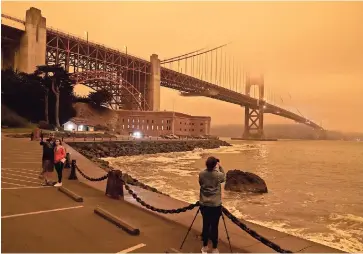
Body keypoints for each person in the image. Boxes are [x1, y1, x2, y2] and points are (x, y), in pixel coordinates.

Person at [199, 156, 226, 254]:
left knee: (205, 225)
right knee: (214, 227)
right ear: (215, 165)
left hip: (204, 204)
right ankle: (214, 248)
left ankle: (205, 247)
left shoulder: (201, 174)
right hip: (215, 205)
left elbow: (200, 183)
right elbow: (224, 177)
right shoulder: (218, 175)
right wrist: (220, 166)